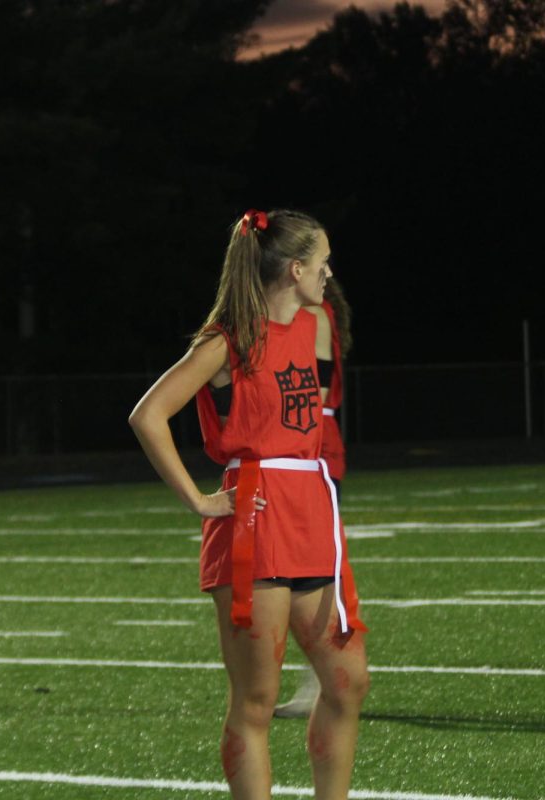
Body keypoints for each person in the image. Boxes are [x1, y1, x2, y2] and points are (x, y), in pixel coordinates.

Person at [129, 209, 369, 800]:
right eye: (322, 262)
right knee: (256, 701)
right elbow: (148, 415)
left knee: (346, 682)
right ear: (294, 268)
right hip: (254, 524)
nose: (329, 272)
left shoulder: (314, 324)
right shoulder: (226, 340)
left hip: (310, 514)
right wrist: (198, 500)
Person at [275, 279, 353, 719]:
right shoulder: (305, 315)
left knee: (318, 576)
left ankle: (327, 680)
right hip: (298, 452)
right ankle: (325, 679)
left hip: (311, 452)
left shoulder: (313, 315)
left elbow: (305, 398)